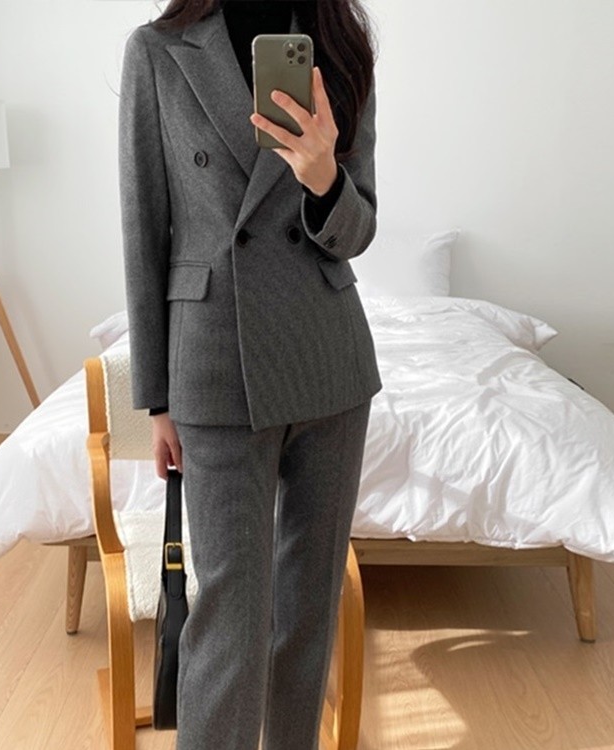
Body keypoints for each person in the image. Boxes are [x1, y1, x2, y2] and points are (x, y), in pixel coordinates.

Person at [118, 1, 382, 747]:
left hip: (328, 362)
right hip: (215, 363)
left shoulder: (338, 45)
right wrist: (156, 399)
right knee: (229, 619)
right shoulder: (159, 51)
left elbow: (359, 229)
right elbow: (144, 229)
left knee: (308, 613)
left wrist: (324, 178)